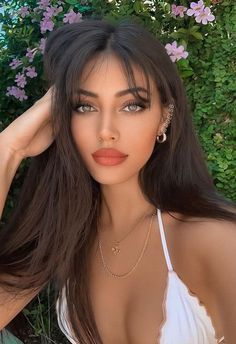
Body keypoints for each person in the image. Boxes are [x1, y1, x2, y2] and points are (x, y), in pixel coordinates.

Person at [0, 18, 235, 344]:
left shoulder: (213, 241)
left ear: (164, 116)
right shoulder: (69, 236)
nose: (106, 130)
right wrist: (9, 148)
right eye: (85, 106)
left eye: (131, 105)